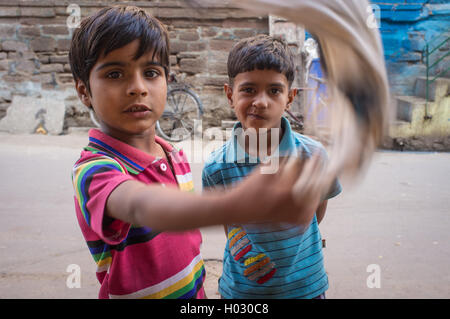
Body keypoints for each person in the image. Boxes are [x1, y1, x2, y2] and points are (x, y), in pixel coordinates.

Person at [69, 6, 323, 299]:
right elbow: (139, 205)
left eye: (151, 72)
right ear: (84, 91)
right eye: (115, 74)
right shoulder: (94, 169)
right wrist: (233, 204)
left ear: (167, 81)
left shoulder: (173, 155)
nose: (137, 88)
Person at [202, 34, 342, 299]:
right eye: (248, 89)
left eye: (274, 91)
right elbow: (231, 227)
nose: (261, 101)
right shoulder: (216, 167)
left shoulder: (313, 156)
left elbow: (315, 213)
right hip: (242, 292)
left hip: (306, 288)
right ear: (230, 94)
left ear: (290, 98)